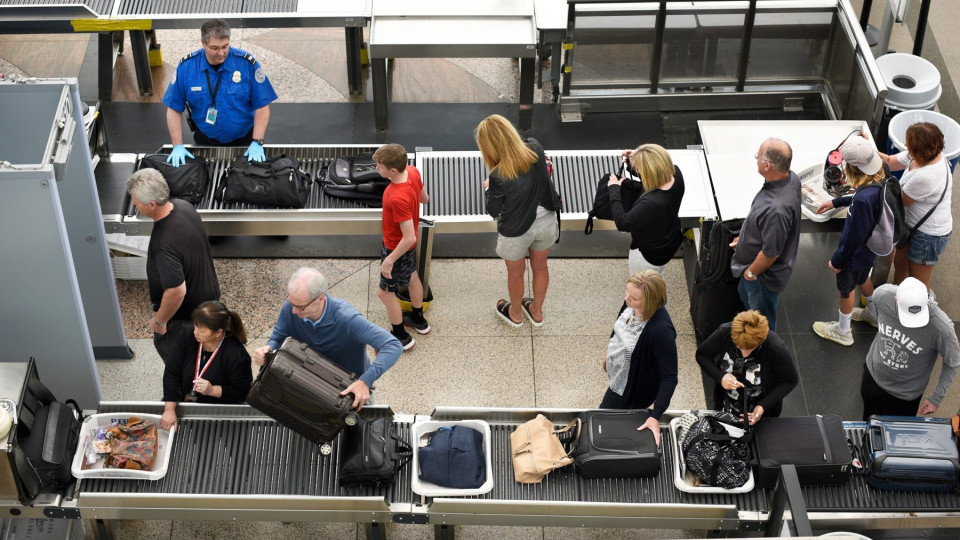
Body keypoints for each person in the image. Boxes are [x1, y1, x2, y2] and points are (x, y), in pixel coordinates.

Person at [251, 268, 402, 410]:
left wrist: (364, 381)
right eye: (291, 303)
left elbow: (393, 345)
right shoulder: (291, 307)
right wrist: (268, 348)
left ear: (321, 299)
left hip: (346, 393)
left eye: (301, 307)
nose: (294, 311)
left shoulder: (347, 319)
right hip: (307, 385)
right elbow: (279, 334)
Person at [476, 114, 562, 328]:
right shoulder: (534, 146)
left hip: (516, 229)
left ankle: (515, 314)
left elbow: (493, 210)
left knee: (516, 274)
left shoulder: (498, 175)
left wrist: (488, 188)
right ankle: (536, 311)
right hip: (547, 220)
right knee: (541, 267)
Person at [127, 168, 220, 365]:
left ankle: (185, 393)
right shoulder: (183, 206)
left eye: (136, 204)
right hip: (209, 300)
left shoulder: (164, 243)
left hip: (186, 318)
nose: (136, 208)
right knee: (205, 358)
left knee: (178, 363)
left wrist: (160, 322)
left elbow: (177, 290)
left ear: (151, 204)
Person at [162, 18, 278, 167]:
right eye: (214, 48)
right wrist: (177, 146)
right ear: (203, 43)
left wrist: (257, 142)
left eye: (225, 46)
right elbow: (173, 108)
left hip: (245, 140)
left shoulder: (246, 63)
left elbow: (262, 105)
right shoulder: (187, 67)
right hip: (205, 140)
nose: (221, 53)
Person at [812, 136, 885, 346]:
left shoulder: (862, 201)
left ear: (850, 168)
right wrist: (835, 202)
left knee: (846, 289)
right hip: (871, 249)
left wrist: (838, 259)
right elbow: (860, 199)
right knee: (863, 278)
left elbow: (853, 237)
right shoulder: (880, 179)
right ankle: (873, 314)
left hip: (855, 254)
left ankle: (843, 331)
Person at [860, 277, 960, 421]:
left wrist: (936, 398)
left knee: (895, 438)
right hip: (871, 377)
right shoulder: (881, 295)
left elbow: (953, 362)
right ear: (896, 299)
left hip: (904, 397)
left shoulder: (942, 328)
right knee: (868, 424)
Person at [730, 138, 802, 332]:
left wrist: (751, 273)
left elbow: (771, 253)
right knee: (745, 296)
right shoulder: (792, 178)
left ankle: (762, 350)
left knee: (761, 320)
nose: (756, 159)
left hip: (763, 277)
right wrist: (745, 239)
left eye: (757, 156)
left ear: (767, 165)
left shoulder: (777, 209)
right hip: (755, 268)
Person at [600, 270, 678, 446]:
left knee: (603, 420)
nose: (627, 299)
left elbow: (670, 377)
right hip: (620, 378)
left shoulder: (661, 331)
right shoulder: (631, 305)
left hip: (631, 392)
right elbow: (619, 328)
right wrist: (609, 353)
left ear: (650, 301)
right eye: (627, 292)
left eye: (634, 298)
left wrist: (656, 415)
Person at [873, 122, 953, 292]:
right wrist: (867, 151)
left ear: (919, 149)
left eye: (909, 143)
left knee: (918, 283)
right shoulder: (922, 155)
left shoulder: (927, 176)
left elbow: (898, 201)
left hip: (928, 236)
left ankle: (916, 311)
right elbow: (888, 161)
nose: (906, 145)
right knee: (900, 264)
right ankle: (897, 298)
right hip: (911, 225)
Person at [373, 143, 431, 350]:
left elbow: (408, 238)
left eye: (380, 166)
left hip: (394, 247)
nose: (377, 168)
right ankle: (419, 320)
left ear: (393, 170)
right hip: (405, 250)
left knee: (385, 293)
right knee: (412, 276)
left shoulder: (395, 195)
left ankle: (401, 337)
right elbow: (425, 198)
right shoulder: (413, 171)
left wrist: (389, 260)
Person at [161, 301, 253, 430]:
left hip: (218, 410)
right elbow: (172, 372)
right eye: (195, 326)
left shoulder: (236, 355)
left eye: (202, 331)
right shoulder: (188, 335)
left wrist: (212, 390)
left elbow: (242, 392)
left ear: (218, 333)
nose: (195, 332)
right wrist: (169, 410)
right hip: (184, 398)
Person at [696, 310, 798, 426]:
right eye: (739, 346)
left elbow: (790, 380)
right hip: (727, 402)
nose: (744, 353)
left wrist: (763, 405)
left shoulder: (776, 348)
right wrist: (720, 377)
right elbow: (702, 355)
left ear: (761, 341)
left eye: (750, 348)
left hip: (761, 408)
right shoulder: (724, 332)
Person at [607, 143, 685, 276]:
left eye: (639, 169)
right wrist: (634, 161)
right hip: (669, 241)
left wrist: (614, 189)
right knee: (656, 278)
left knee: (643, 287)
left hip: (647, 254)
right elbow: (652, 177)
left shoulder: (651, 203)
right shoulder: (676, 174)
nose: (637, 171)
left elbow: (623, 223)